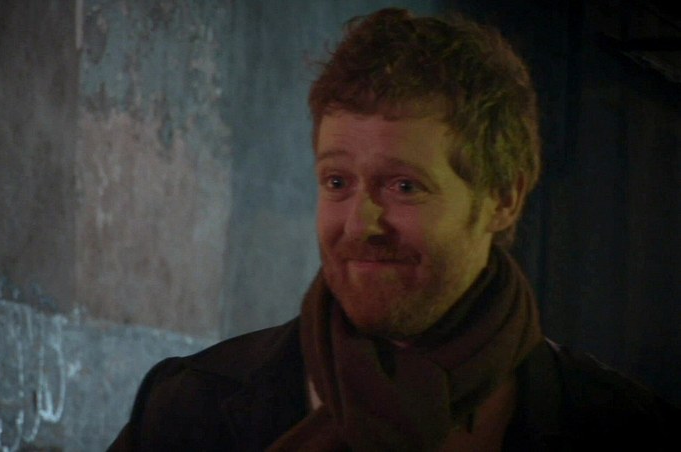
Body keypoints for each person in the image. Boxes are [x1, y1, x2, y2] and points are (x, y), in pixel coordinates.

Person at [109, 8, 678, 451]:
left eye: (404, 186)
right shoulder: (190, 406)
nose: (361, 224)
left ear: (504, 199)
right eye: (337, 182)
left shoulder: (623, 428)